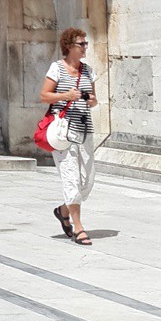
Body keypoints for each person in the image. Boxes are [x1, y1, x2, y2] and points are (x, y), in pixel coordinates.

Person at [40, 27, 98, 246]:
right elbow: (44, 96)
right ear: (69, 47)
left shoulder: (88, 71)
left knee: (87, 181)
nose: (85, 48)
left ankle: (63, 210)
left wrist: (90, 100)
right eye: (81, 44)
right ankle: (78, 227)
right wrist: (67, 95)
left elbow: (94, 100)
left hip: (85, 130)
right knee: (71, 178)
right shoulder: (57, 68)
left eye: (86, 44)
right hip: (63, 131)